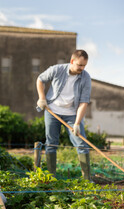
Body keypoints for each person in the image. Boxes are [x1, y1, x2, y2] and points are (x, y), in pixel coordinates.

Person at [36, 49, 92, 181]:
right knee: (51, 143)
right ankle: (52, 177)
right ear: (72, 61)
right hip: (52, 111)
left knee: (82, 144)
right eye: (79, 65)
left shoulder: (85, 77)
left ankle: (87, 179)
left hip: (72, 114)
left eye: (84, 65)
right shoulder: (57, 69)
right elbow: (40, 79)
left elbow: (84, 102)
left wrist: (77, 123)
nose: (82, 68)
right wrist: (42, 98)